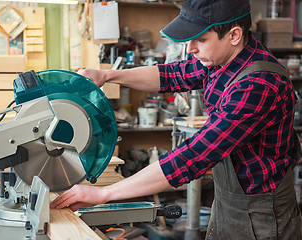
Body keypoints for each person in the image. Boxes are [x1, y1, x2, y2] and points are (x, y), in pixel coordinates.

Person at [51, 0, 302, 239]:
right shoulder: (220, 57)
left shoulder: (258, 84)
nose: (191, 48)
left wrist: (105, 194)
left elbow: (196, 155)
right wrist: (106, 75)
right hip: (229, 201)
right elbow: (171, 75)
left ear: (234, 35)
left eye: (200, 39)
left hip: (261, 213)